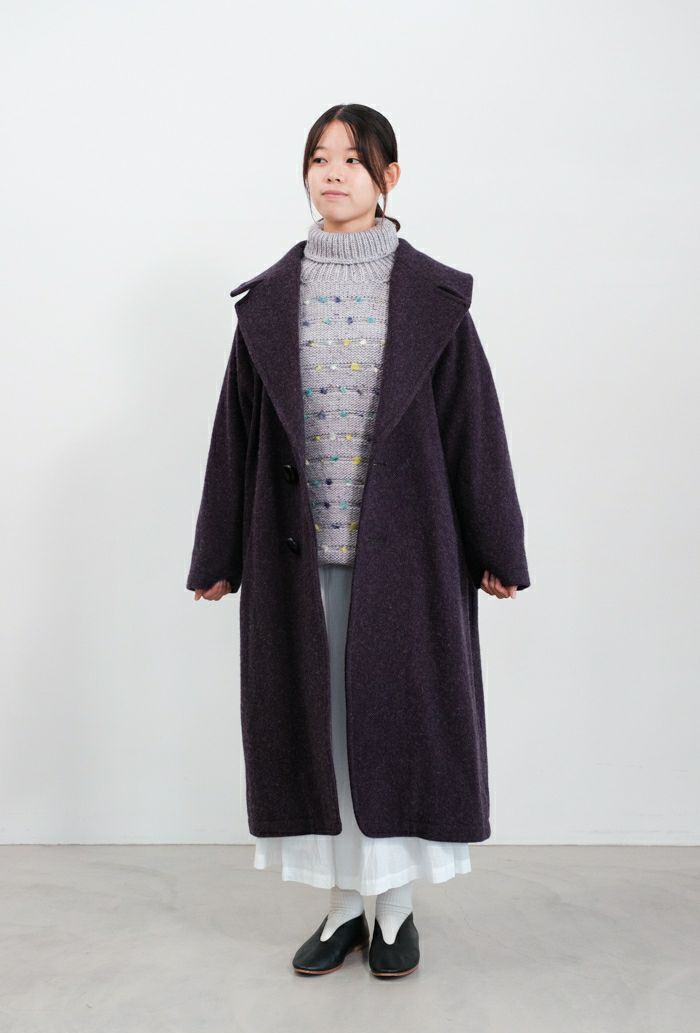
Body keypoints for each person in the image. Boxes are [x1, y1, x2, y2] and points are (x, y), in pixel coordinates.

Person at [187, 103, 530, 979]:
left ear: (389, 178)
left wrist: (498, 545)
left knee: (397, 730)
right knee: (321, 736)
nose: (333, 172)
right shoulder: (269, 302)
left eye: (353, 159)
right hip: (297, 563)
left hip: (407, 561)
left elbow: (474, 430)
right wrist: (217, 555)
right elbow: (236, 434)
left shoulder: (433, 300)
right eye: (319, 158)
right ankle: (344, 908)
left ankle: (396, 911)